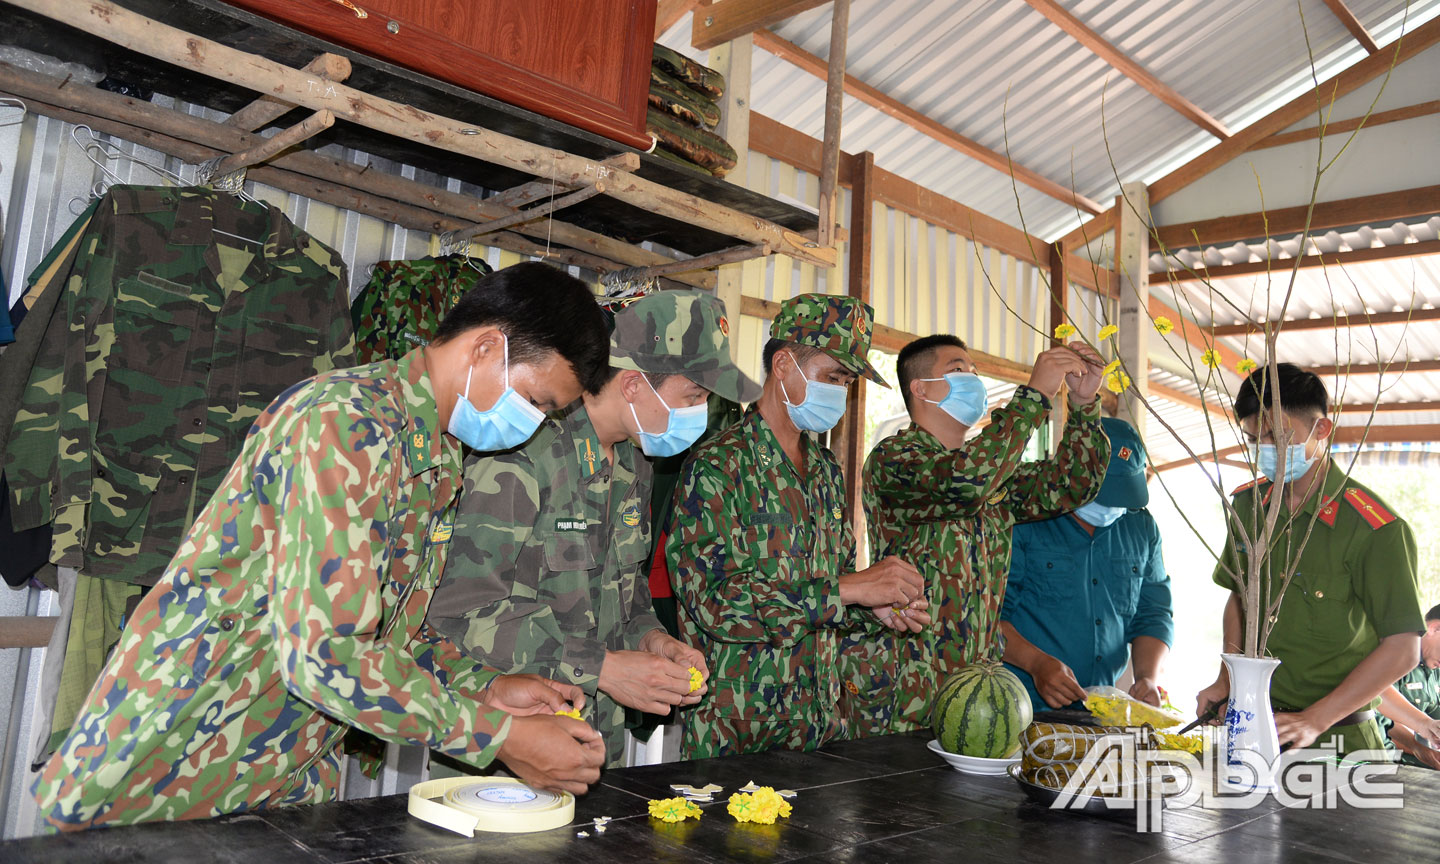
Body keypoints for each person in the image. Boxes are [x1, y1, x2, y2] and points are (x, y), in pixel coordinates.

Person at [33, 263, 612, 831]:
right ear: (487, 348)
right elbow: (326, 652)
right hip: (172, 767)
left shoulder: (435, 455)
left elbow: (383, 627)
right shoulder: (346, 423)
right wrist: (497, 735)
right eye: (535, 402)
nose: (533, 425)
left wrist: (485, 685)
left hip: (274, 773)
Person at [427, 290, 760, 766]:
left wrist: (652, 641)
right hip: (510, 747)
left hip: (597, 743)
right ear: (633, 385)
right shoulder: (524, 451)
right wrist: (601, 668)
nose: (701, 413)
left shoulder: (635, 464)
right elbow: (459, 612)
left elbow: (627, 595)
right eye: (694, 396)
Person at [668, 294, 930, 758]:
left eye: (847, 382)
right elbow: (713, 602)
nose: (840, 392)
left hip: (819, 727)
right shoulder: (719, 466)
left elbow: (834, 587)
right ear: (785, 364)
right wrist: (848, 591)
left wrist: (876, 611)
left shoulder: (826, 470)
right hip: (739, 734)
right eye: (832, 377)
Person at [852, 333, 1110, 734]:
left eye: (974, 371)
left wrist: (1082, 405)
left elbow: (1071, 485)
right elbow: (967, 482)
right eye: (958, 370)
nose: (972, 378)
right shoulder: (896, 460)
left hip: (979, 699)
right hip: (905, 698)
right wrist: (1034, 396)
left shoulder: (992, 474)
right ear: (920, 389)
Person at [1197, 362, 1424, 756]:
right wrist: (1226, 680)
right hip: (1253, 728)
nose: (1266, 450)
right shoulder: (1249, 506)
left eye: (1277, 436)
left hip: (1340, 742)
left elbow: (1403, 648)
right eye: (1255, 440)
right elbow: (1239, 598)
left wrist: (1316, 717)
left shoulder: (1374, 528)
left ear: (1321, 430)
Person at [1000, 417, 1173, 710]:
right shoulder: (1026, 520)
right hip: (1020, 707)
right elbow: (990, 617)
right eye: (1100, 493)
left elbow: (1153, 613)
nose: (1110, 506)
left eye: (1121, 494)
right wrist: (1037, 664)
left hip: (1099, 713)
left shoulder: (1141, 528)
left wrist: (1146, 677)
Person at [1378, 603, 1440, 769]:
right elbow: (1380, 713)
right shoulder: (1394, 656)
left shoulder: (1434, 668)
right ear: (1435, 628)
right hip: (1392, 756)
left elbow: (1435, 716)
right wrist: (1420, 749)